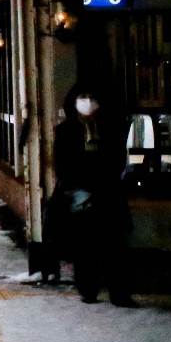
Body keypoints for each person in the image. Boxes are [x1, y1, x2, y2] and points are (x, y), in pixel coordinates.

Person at [52, 84, 132, 304]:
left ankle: (120, 293)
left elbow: (118, 159)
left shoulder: (111, 127)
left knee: (114, 247)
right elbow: (62, 166)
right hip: (81, 197)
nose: (87, 101)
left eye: (91, 96)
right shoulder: (65, 131)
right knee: (85, 248)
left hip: (108, 193)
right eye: (83, 97)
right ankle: (88, 290)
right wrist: (82, 184)